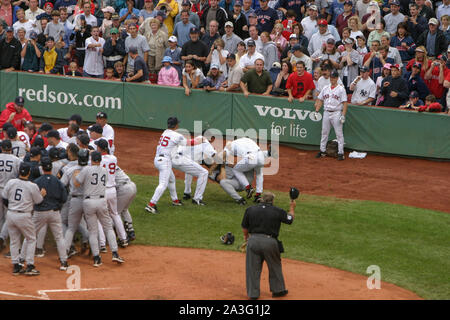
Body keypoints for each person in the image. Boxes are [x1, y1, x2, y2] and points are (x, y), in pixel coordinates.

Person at [73, 150, 125, 267]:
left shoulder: (86, 169)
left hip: (89, 202)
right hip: (102, 201)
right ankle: (115, 254)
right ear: (100, 160)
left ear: (92, 160)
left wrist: (76, 173)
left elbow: (76, 183)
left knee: (93, 231)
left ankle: (97, 258)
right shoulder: (104, 170)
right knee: (108, 228)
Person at [145, 117, 206, 213]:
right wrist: (200, 139)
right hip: (165, 161)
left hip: (157, 159)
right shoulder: (177, 135)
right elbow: (190, 143)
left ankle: (175, 201)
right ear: (176, 125)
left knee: (171, 180)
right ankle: (151, 204)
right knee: (163, 184)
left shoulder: (165, 132)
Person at [241, 191, 295, 300]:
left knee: (252, 268)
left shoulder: (250, 209)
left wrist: (247, 239)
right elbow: (290, 219)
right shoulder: (277, 211)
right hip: (270, 242)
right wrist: (292, 207)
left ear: (261, 199)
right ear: (272, 201)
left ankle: (253, 294)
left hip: (253, 241)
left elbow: (245, 227)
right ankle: (278, 290)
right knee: (275, 265)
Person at [3, 162, 45, 276]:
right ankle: (30, 265)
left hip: (11, 214)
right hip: (24, 215)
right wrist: (42, 194)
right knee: (31, 239)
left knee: (14, 240)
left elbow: (4, 198)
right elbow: (39, 201)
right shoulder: (32, 186)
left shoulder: (11, 182)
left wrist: (12, 208)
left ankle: (16, 266)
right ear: (29, 173)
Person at [29, 157, 69, 271]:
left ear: (41, 168)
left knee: (30, 236)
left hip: (39, 213)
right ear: (51, 168)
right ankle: (64, 262)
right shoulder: (58, 181)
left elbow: (33, 199)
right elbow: (64, 198)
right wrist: (58, 206)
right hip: (54, 212)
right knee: (59, 237)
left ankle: (23, 260)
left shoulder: (36, 182)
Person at [314, 69, 347, 161]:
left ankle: (341, 153)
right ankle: (322, 150)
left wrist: (343, 115)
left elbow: (345, 103)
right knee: (324, 132)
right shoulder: (325, 88)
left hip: (336, 112)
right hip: (326, 112)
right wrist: (317, 111)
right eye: (331, 77)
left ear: (337, 78)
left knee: (339, 134)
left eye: (334, 77)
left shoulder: (341, 89)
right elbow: (320, 100)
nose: (332, 79)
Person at [0, 140, 22, 254]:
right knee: (8, 216)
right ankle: (2, 237)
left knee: (0, 216)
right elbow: (21, 174)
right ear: (10, 148)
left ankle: (1, 239)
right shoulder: (16, 160)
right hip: (9, 190)